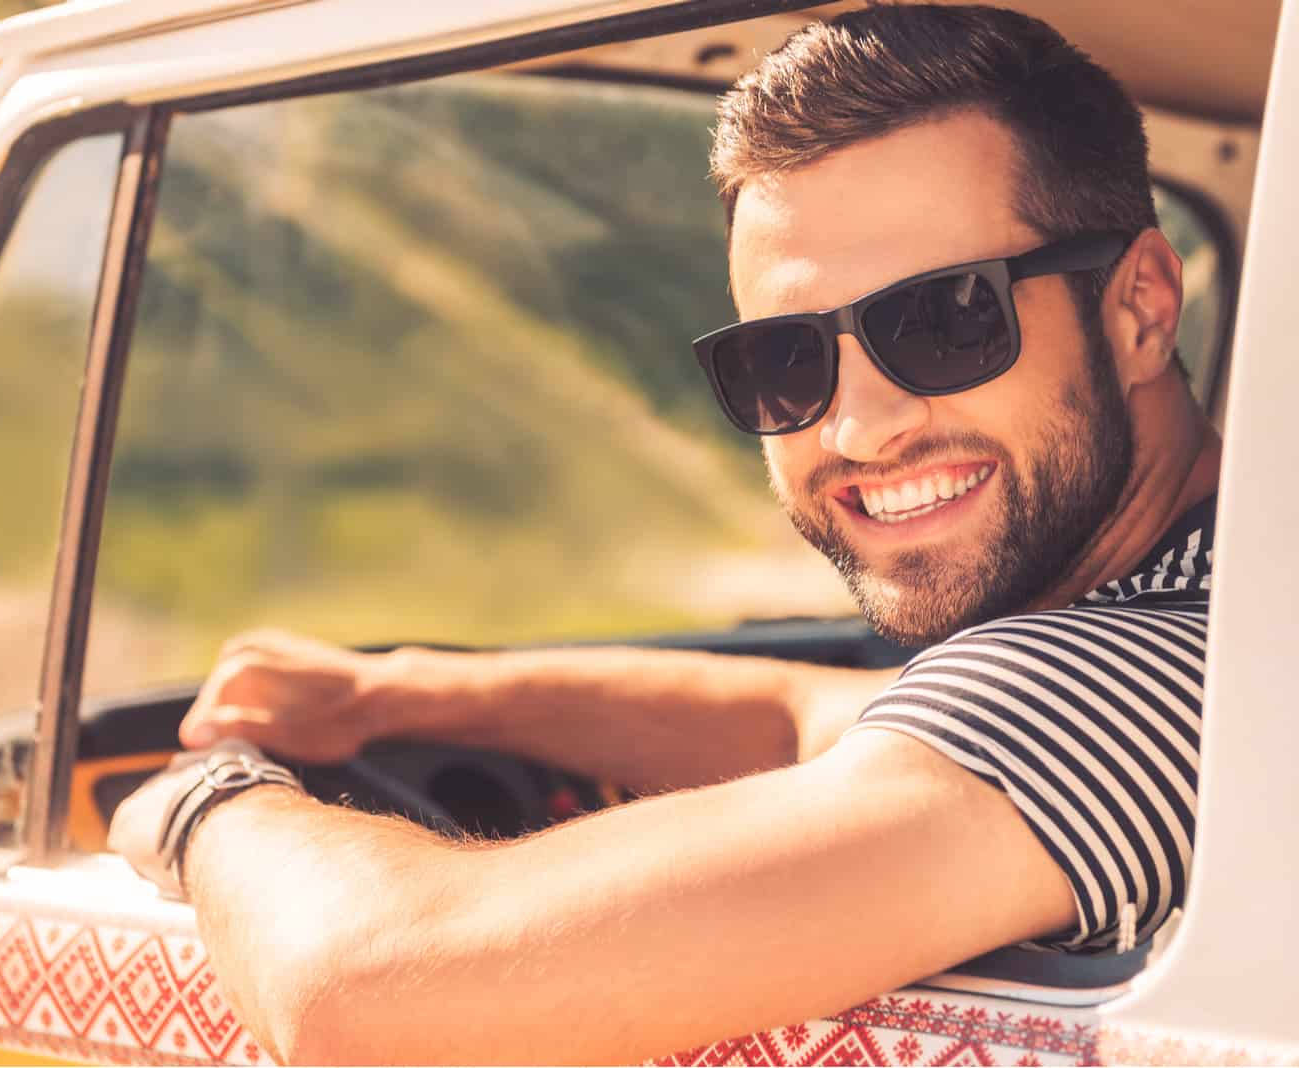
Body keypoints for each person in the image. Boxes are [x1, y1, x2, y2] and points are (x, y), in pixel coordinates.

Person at [110, 5, 1219, 1063]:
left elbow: (367, 994)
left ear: (1140, 308)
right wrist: (388, 694)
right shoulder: (1208, 609)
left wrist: (207, 803)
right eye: (785, 359)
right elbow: (804, 716)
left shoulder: (1144, 673)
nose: (855, 426)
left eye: (944, 319)